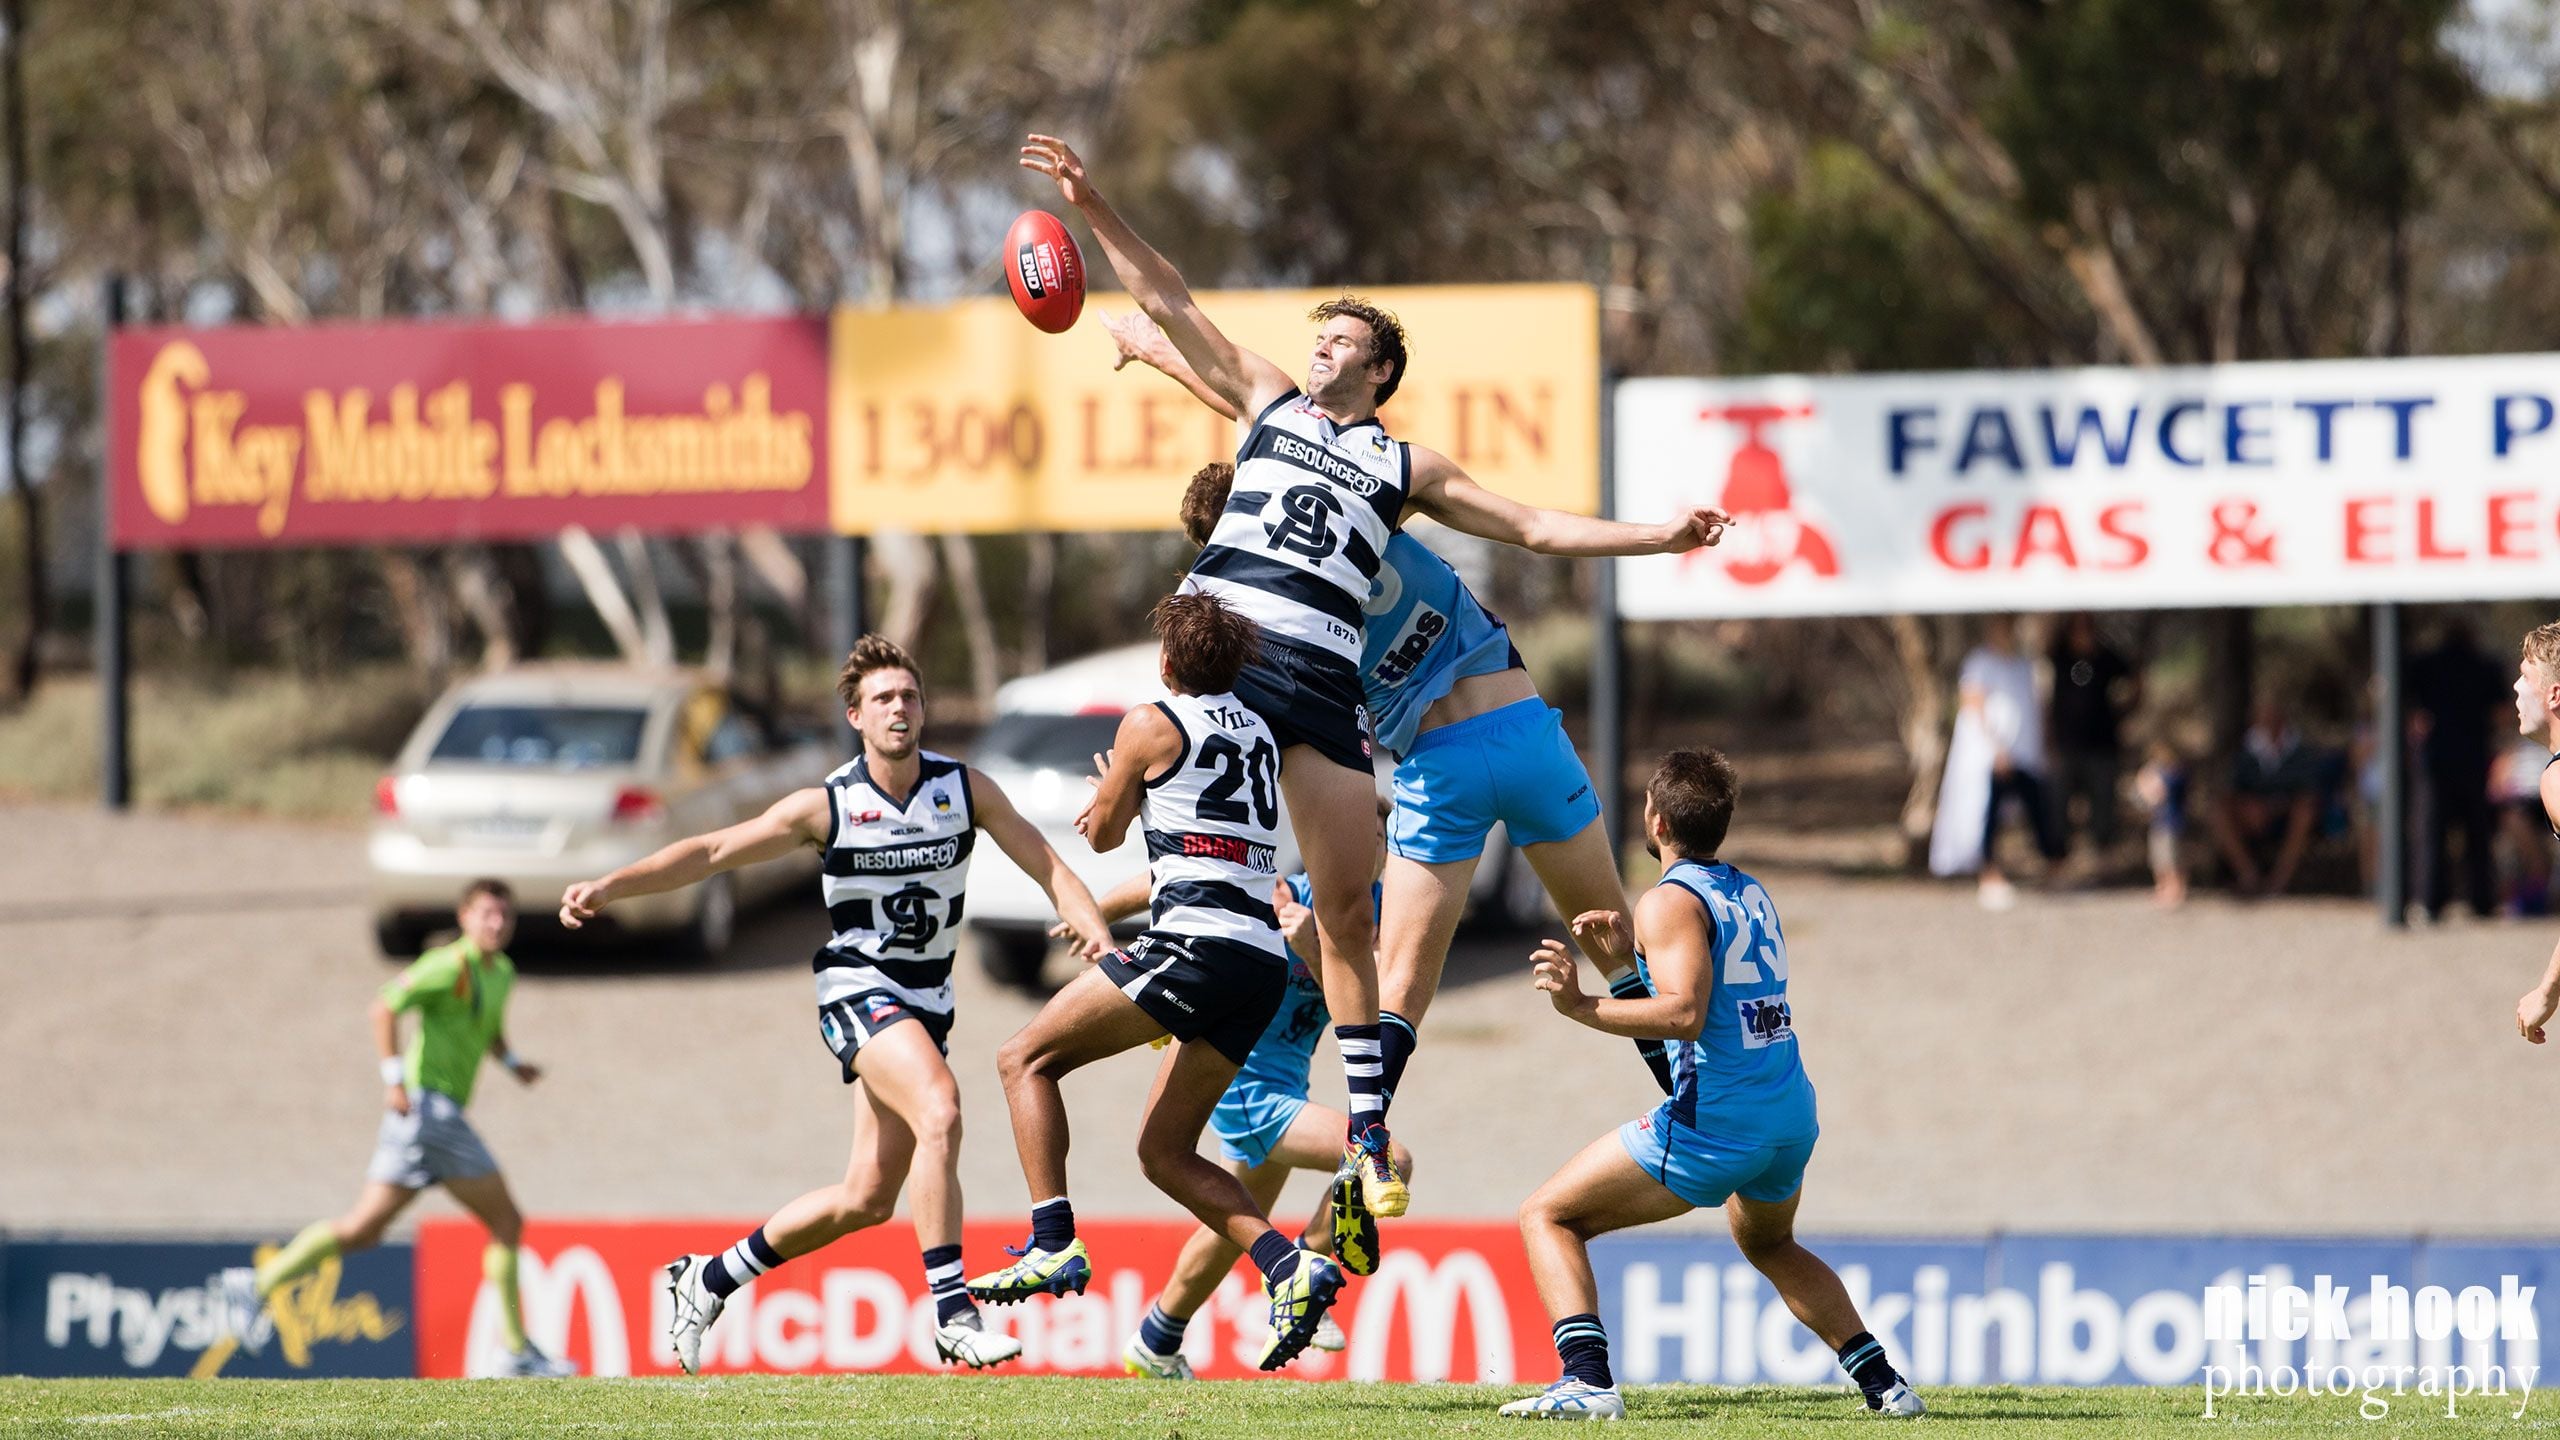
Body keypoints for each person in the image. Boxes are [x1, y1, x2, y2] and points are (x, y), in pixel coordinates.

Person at [1023, 132, 1724, 1223]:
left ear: (1380, 370)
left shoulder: (1407, 469)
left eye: (1341, 339)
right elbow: (1170, 300)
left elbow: (1534, 525)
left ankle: (1364, 1135)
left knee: (1344, 912)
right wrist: (1090, 201)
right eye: (1318, 336)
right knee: (1144, 820)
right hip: (1229, 655)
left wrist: (1660, 536)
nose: (1318, 348)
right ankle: (1093, 907)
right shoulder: (1262, 400)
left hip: (1317, 680)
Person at [1104, 310, 1688, 1225]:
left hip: (1448, 766)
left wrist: (1154, 348)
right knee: (1603, 940)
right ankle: (1682, 1100)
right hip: (1512, 737)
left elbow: (1234, 385)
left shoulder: (1297, 586)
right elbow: (1528, 525)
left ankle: (1365, 1151)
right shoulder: (1350, 546)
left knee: (1411, 982)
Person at [557, 635, 1112, 1373]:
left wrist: (1100, 937)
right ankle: (952, 1313)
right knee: (940, 1108)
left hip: (926, 1005)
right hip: (858, 990)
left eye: (909, 696)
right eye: (883, 699)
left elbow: (1047, 866)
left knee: (865, 1198)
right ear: (855, 715)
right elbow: (715, 851)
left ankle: (709, 1276)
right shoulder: (829, 805)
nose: (899, 709)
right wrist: (612, 884)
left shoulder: (964, 789)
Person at [970, 592, 1346, 1372]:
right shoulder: (1262, 733)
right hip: (1261, 963)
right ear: (1236, 665)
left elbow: (1103, 833)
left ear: (1168, 664)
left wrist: (1116, 786)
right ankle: (1290, 1267)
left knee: (1022, 1059)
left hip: (1195, 944)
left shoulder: (1149, 722)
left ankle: (1052, 1242)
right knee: (1165, 1152)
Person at [1499, 750, 1921, 1421]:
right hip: (1787, 1115)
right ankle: (1887, 1387)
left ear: (1656, 819)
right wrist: (1620, 974)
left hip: (1719, 1125)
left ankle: (1588, 1381)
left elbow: (1685, 1017)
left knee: (1546, 1216)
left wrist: (1581, 1006)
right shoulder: (1747, 891)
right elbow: (1691, 1043)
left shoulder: (1668, 902)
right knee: (1770, 1243)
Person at [1087, 805, 1412, 1379]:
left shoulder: (1382, 915)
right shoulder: (1280, 894)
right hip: (1245, 1086)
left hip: (1287, 1086)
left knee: (1231, 1224)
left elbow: (1388, 988)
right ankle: (1306, 1269)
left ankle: (1155, 1340)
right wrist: (1092, 914)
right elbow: (1170, 878)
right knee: (1389, 1160)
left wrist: (1315, 947)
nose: (1366, 852)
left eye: (1376, 840)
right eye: (1354, 838)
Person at [240, 880, 574, 1378]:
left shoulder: (500, 972)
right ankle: (514, 1351)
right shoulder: (447, 964)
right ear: (464, 917)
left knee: (363, 1230)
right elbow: (384, 1005)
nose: (496, 924)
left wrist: (513, 1062)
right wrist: (393, 1078)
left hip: (418, 1123)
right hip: (430, 1111)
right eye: (486, 914)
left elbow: (488, 1028)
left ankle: (258, 1284)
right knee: (507, 1223)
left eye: (504, 916)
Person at [1929, 615, 2061, 909]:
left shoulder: (2024, 664)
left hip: (2026, 754)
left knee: (2039, 810)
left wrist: (2045, 746)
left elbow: (2037, 707)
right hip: (1994, 756)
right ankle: (1988, 872)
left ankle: (2053, 866)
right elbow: (1972, 705)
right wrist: (1994, 746)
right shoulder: (1980, 662)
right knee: (1988, 816)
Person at [2410, 616, 2507, 921]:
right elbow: (2500, 712)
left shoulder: (2426, 665)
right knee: (2478, 834)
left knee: (2432, 832)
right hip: (2474, 758)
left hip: (2437, 759)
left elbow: (2409, 704)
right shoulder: (2485, 666)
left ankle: (2431, 901)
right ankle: (2482, 900)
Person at [2046, 613, 2138, 865]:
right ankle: (2058, 858)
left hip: (2101, 744)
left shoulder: (2107, 657)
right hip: (2066, 744)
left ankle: (2102, 858)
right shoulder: (2058, 655)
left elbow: (2133, 680)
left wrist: (2124, 710)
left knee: (2103, 804)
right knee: (2059, 804)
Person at [2209, 696, 2322, 898]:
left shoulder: (2302, 751)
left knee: (2304, 812)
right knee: (2220, 811)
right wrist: (2251, 804)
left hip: (2288, 812)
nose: (2266, 720)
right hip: (2252, 812)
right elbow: (2233, 789)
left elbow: (2309, 790)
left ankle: (2280, 880)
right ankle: (2248, 875)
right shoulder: (2246, 750)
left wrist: (2275, 806)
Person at [2507, 622, 2560, 1041]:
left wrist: (2547, 990)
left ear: (2554, 694)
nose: (2515, 687)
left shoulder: (2557, 779)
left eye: (2526, 676)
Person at [2133, 742, 2189, 908]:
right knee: (2159, 859)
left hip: (2171, 823)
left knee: (2172, 859)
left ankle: (2176, 889)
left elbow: (2155, 794)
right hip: (2159, 823)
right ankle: (2163, 888)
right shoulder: (2166, 774)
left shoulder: (2175, 775)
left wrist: (2145, 778)